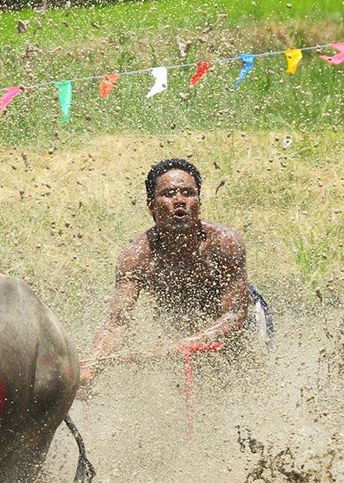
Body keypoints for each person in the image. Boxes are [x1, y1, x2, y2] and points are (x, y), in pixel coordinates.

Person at [79, 159, 272, 395]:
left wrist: (187, 343)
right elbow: (118, 321)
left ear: (198, 203)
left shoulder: (224, 243)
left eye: (188, 193)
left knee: (244, 382)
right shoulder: (137, 257)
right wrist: (92, 363)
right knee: (183, 387)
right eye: (169, 194)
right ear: (151, 207)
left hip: (242, 318)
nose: (179, 200)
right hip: (181, 320)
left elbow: (235, 315)